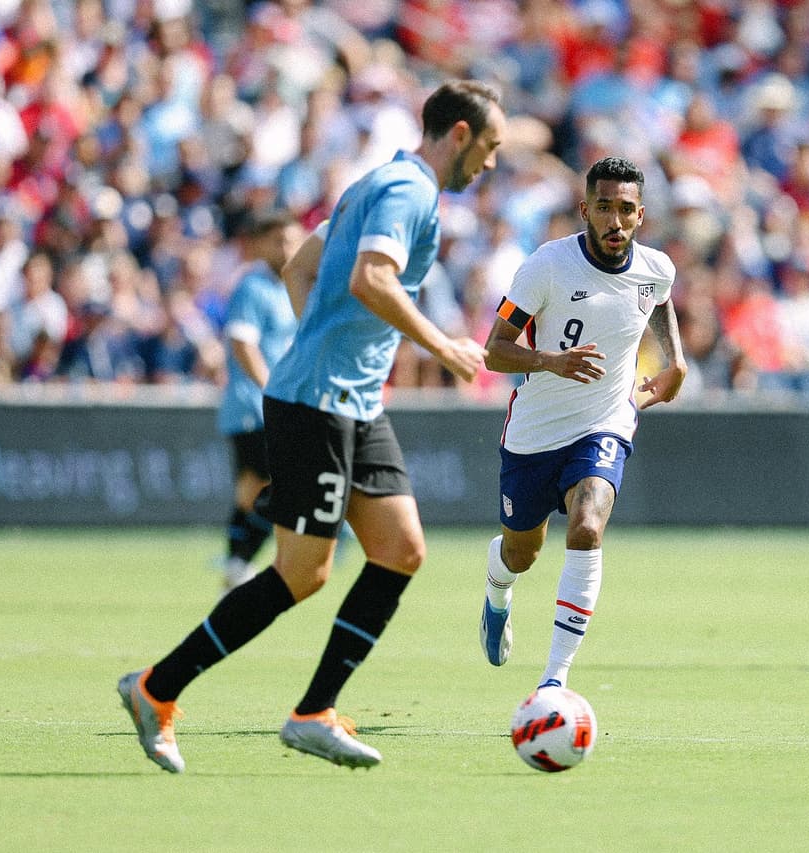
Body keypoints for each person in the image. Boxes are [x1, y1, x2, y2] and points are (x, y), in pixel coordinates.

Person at [117, 80, 507, 773]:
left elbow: (301, 267)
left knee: (401, 548)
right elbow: (370, 280)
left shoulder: (373, 183)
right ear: (457, 135)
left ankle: (313, 712)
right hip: (318, 403)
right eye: (491, 147)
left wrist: (326, 343)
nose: (493, 163)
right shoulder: (409, 191)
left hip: (350, 399)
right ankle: (157, 687)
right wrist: (441, 345)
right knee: (302, 573)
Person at [478, 156, 688, 691]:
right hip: (534, 432)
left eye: (625, 210)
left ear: (640, 215)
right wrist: (550, 361)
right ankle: (498, 592)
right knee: (521, 552)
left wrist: (675, 360)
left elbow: (657, 301)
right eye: (603, 208)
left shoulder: (657, 267)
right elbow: (494, 352)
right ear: (584, 211)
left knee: (588, 525)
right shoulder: (547, 266)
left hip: (606, 420)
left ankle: (555, 680)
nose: (614, 222)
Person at [215, 209, 301, 594]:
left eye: (291, 239)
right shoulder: (252, 286)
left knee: (251, 488)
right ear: (261, 244)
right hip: (253, 406)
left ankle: (236, 566)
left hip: (275, 405)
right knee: (286, 485)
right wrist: (272, 389)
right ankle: (243, 562)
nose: (286, 247)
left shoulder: (292, 286)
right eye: (278, 240)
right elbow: (242, 344)